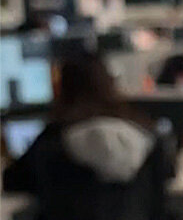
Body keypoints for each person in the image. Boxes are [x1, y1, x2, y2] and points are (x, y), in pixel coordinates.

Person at [3, 51, 170, 192]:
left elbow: (12, 180)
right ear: (109, 84)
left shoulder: (53, 139)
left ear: (63, 90)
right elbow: (168, 174)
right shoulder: (144, 133)